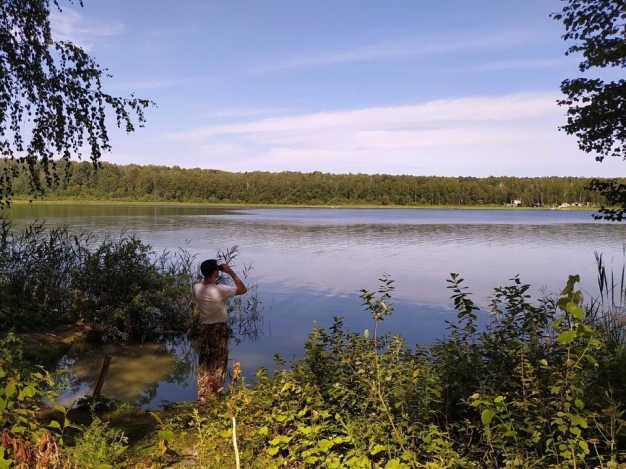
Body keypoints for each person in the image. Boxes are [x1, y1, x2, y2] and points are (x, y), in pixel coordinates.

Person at [193, 259, 247, 404]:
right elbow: (243, 289)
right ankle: (214, 396)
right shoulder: (221, 290)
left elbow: (206, 280)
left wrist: (213, 271)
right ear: (215, 273)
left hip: (204, 329)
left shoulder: (196, 288)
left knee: (205, 362)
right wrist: (230, 272)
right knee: (219, 363)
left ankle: (202, 395)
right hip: (218, 329)